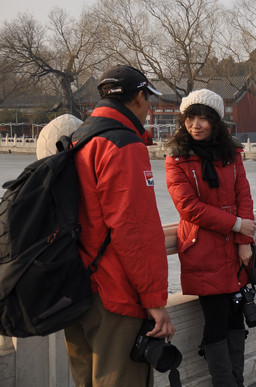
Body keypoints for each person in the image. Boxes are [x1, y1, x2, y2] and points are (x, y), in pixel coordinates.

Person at [64, 65, 174, 387]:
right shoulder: (123, 145)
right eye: (148, 99)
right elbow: (135, 231)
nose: (149, 108)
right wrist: (155, 301)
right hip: (113, 295)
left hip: (76, 287)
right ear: (139, 98)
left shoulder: (79, 138)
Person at [165, 89, 256, 387]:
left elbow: (243, 195)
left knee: (236, 318)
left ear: (216, 122)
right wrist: (237, 225)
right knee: (216, 320)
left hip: (234, 248)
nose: (196, 125)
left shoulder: (231, 154)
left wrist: (244, 240)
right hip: (202, 248)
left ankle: (236, 381)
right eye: (190, 118)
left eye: (203, 119)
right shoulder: (176, 158)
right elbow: (188, 208)